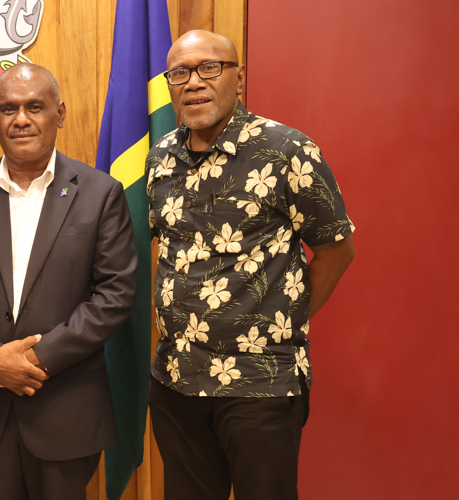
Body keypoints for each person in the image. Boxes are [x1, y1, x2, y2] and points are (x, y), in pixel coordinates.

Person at [146, 30, 356, 500]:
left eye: (209, 67)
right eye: (179, 72)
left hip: (260, 382)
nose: (194, 82)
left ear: (238, 77)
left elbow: (336, 250)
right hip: (177, 381)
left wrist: (283, 320)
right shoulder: (161, 160)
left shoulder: (287, 150)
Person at [0, 63, 138, 500]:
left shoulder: (101, 194)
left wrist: (38, 358)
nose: (20, 119)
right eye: (8, 108)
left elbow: (115, 294)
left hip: (66, 407)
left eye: (34, 107)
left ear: (59, 113)